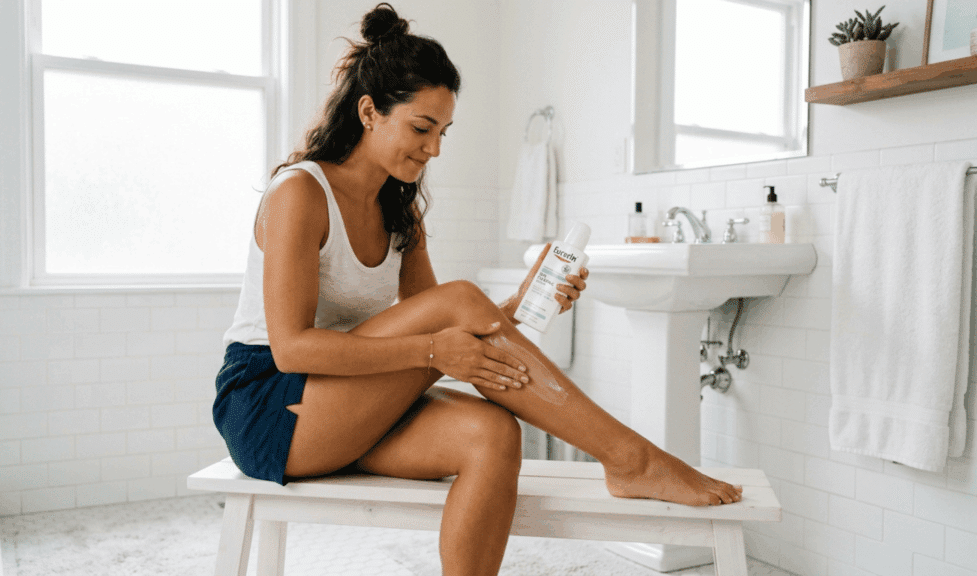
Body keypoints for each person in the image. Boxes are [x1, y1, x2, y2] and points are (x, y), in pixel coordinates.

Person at [213, 4, 742, 575]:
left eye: (442, 132)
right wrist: (434, 350)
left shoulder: (398, 206)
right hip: (271, 404)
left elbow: (447, 329)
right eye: (421, 128)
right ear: (369, 111)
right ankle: (630, 457)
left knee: (492, 433)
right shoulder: (300, 193)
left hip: (347, 396)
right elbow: (295, 347)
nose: (434, 149)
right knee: (460, 301)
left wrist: (523, 301)